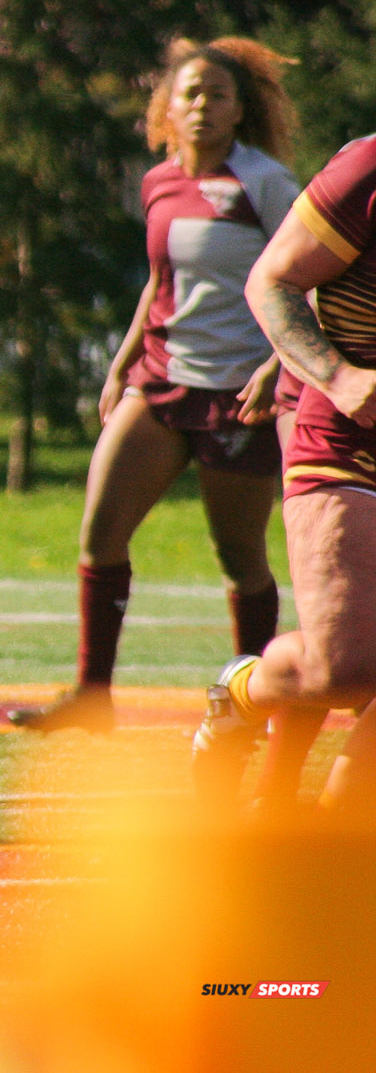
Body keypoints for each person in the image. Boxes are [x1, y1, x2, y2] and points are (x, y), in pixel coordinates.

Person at [13, 39, 300, 733]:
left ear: (240, 110)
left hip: (238, 394)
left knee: (240, 559)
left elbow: (306, 277)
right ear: (167, 106)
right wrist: (121, 364)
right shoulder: (158, 182)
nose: (203, 106)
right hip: (161, 381)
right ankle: (92, 697)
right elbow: (161, 282)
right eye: (190, 93)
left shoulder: (265, 183)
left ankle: (251, 704)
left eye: (218, 95)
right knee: (100, 534)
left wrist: (278, 365)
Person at [194, 130, 376, 811]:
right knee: (346, 669)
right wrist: (338, 375)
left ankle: (323, 840)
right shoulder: (369, 165)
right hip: (351, 433)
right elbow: (272, 279)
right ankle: (240, 693)